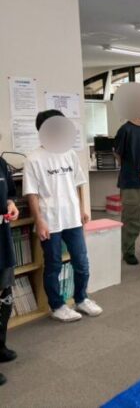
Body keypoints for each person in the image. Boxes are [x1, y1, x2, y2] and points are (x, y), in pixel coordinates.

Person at [24, 110, 103, 322]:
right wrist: (39, 221)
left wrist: (82, 209)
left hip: (72, 218)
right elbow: (31, 193)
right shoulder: (33, 159)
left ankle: (81, 299)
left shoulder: (70, 153)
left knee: (81, 262)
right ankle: (57, 306)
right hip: (49, 220)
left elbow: (78, 183)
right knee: (54, 265)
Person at [114, 111, 140, 265]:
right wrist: (130, 167)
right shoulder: (125, 130)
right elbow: (118, 154)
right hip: (131, 182)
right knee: (132, 218)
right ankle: (128, 251)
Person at [0, 154, 20, 385]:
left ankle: (0, 345)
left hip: (3, 235)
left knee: (5, 293)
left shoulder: (1, 163)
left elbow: (10, 194)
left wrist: (11, 205)